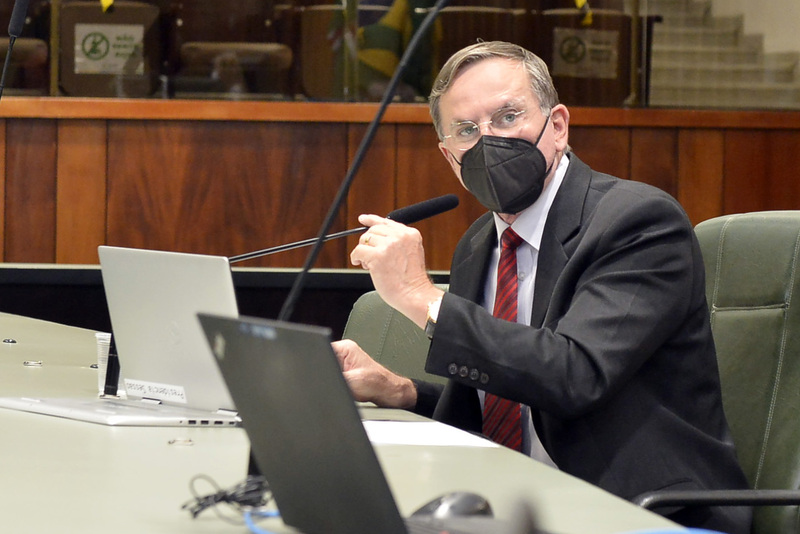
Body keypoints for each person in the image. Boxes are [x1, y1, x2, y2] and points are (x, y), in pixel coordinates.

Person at [332, 41, 752, 532]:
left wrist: (421, 297)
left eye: (508, 117)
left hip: (646, 512)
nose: (488, 141)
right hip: (519, 505)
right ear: (449, 157)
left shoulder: (638, 222)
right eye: (467, 130)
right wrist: (400, 391)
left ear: (558, 126)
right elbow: (502, 401)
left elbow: (575, 375)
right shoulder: (479, 245)